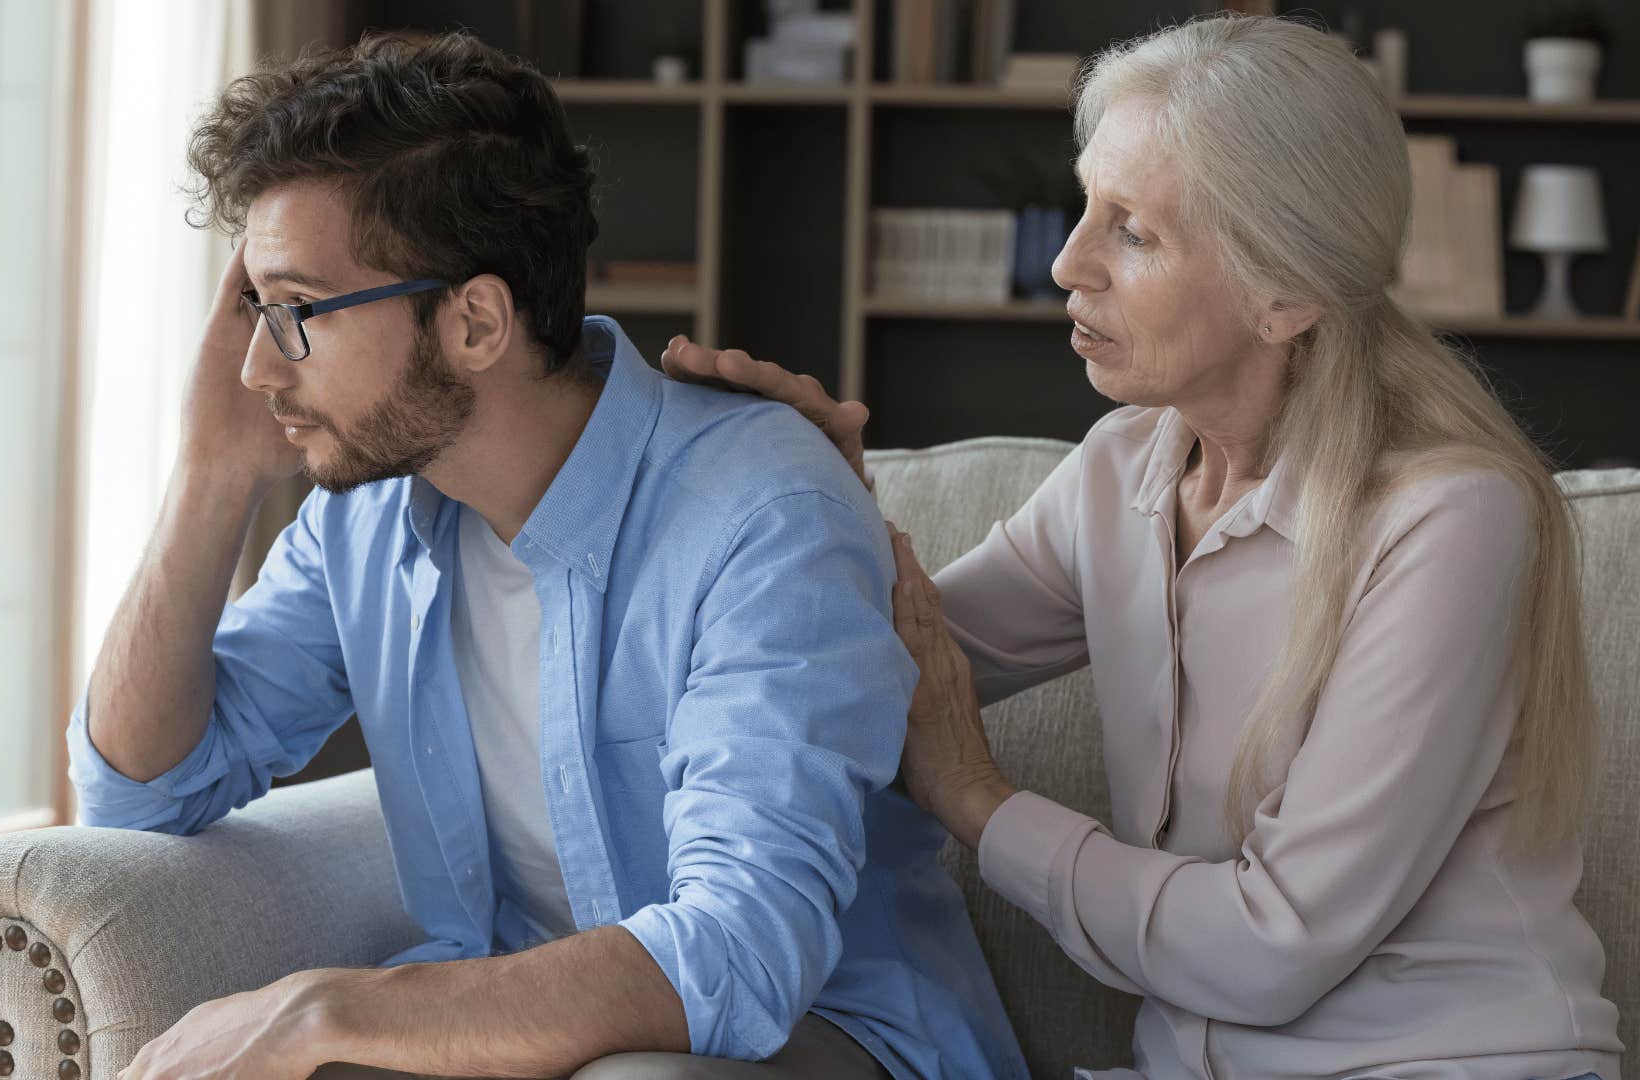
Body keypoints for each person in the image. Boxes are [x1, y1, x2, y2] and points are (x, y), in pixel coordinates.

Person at [663, 15, 1621, 1080]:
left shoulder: (1451, 517)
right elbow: (872, 665)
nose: (1069, 262)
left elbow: (1275, 947)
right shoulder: (1121, 472)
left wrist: (977, 799)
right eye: (1087, 206)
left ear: (1285, 295)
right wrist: (819, 495)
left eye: (1134, 231)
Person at [69, 31, 1027, 1080]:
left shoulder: (763, 514)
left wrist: (324, 1009)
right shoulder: (372, 518)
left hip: (825, 1038)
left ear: (476, 321)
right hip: (526, 1019)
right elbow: (142, 794)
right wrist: (209, 473)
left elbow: (742, 959)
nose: (257, 366)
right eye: (256, 310)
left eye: (297, 312)